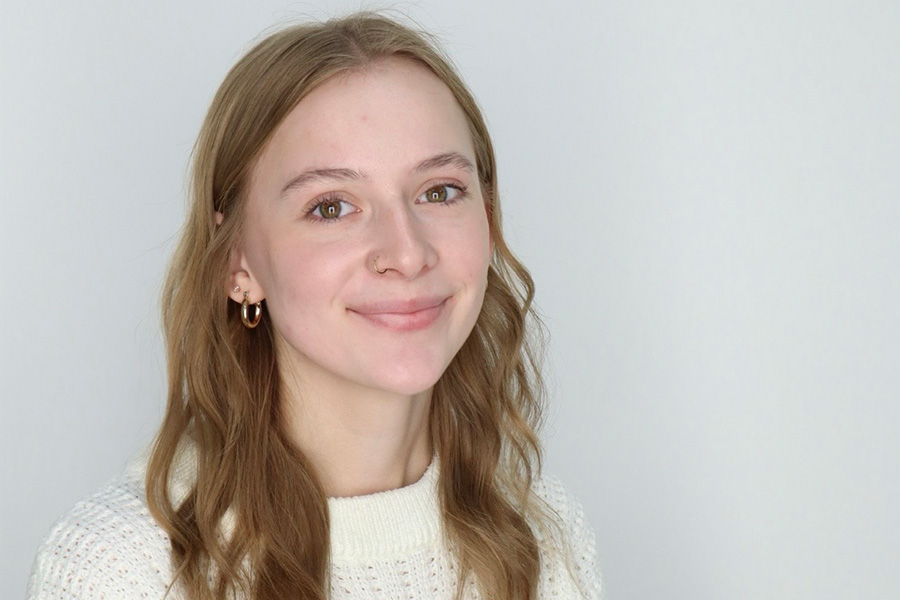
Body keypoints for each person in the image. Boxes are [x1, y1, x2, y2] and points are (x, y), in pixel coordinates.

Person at [27, 12, 602, 600]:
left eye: (439, 191)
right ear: (238, 264)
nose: (406, 253)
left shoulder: (539, 536)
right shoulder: (121, 571)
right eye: (332, 207)